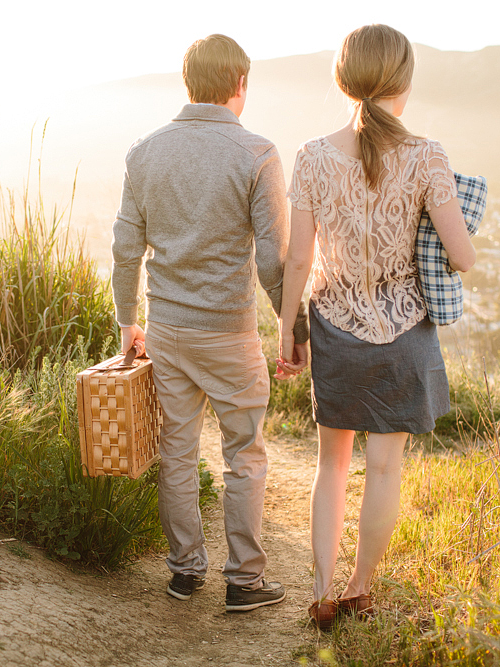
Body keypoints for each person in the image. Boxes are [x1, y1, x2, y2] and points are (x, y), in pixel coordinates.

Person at [274, 24, 476, 630]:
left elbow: (300, 260)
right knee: (385, 468)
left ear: (343, 78)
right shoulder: (427, 155)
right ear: (404, 82)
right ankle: (361, 589)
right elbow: (463, 257)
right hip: (406, 331)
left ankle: (321, 587)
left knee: (330, 465)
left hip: (334, 325)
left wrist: (288, 328)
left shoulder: (312, 156)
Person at [111, 34, 309, 612]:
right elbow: (274, 260)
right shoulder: (257, 154)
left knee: (176, 450)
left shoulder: (143, 151)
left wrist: (129, 322)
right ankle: (244, 580)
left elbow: (126, 248)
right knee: (243, 452)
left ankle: (183, 571)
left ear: (187, 82)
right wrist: (292, 330)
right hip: (229, 331)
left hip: (167, 330)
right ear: (240, 85)